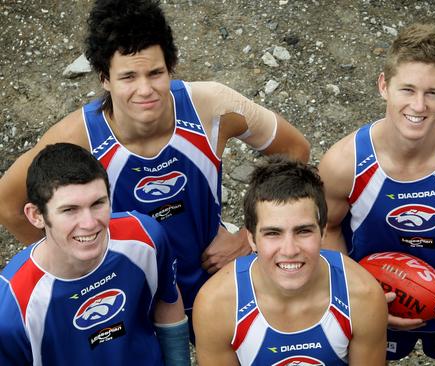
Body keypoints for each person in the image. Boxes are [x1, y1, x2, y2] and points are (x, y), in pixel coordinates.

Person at [0, 0, 309, 322]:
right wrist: (79, 260)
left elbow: (295, 150)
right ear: (105, 78)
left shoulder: (210, 106)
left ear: (171, 66)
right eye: (129, 77)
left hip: (211, 276)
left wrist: (248, 235)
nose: (145, 90)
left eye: (155, 73)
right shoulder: (79, 136)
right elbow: (9, 205)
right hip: (131, 294)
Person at [317, 23, 435, 362]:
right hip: (372, 301)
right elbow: (327, 229)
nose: (418, 106)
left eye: (432, 93)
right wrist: (358, 302)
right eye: (407, 89)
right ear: (383, 86)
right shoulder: (345, 163)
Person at [0, 143, 190, 365]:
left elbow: (167, 301)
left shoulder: (145, 237)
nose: (90, 223)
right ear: (36, 215)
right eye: (70, 210)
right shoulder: (13, 305)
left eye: (98, 203)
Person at [192, 156, 388, 365]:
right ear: (251, 238)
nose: (290, 250)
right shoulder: (216, 305)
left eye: (303, 231)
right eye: (273, 233)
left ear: (322, 233)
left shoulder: (361, 295)